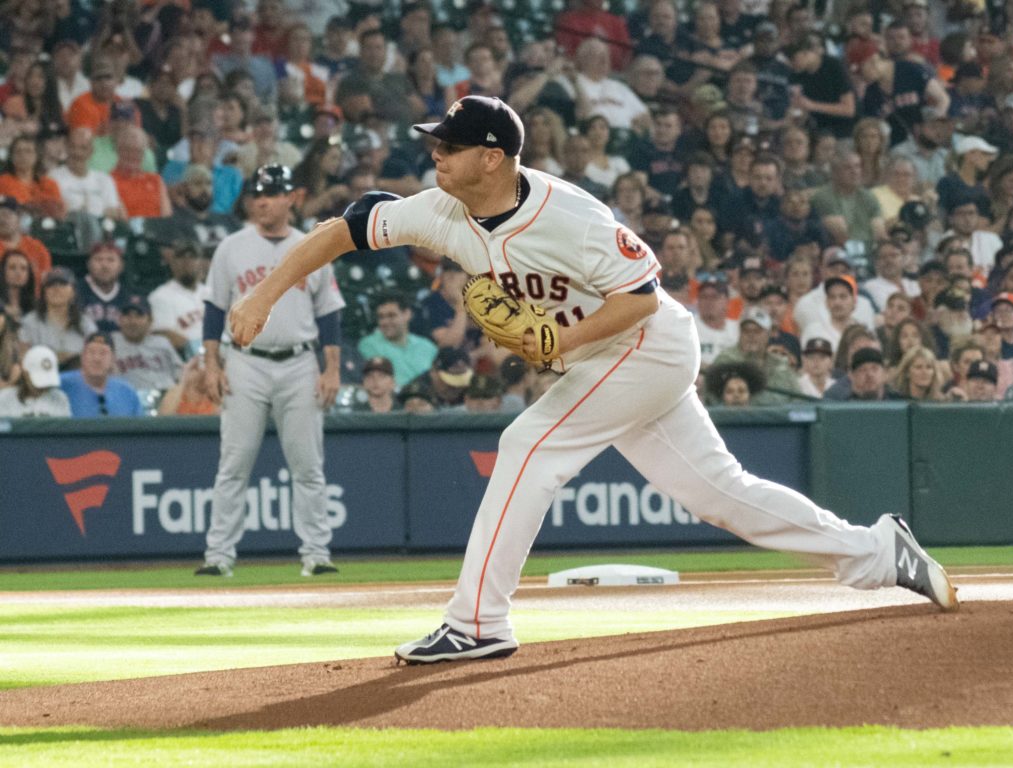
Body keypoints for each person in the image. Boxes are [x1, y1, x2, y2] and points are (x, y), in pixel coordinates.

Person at [226, 95, 959, 664]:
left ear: (493, 158)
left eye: (449, 145)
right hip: (607, 363)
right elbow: (343, 230)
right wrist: (265, 295)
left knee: (527, 445)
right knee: (722, 495)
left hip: (648, 345)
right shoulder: (439, 211)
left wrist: (559, 340)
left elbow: (642, 294)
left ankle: (476, 622)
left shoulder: (569, 215)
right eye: (435, 143)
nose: (435, 154)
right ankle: (877, 551)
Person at [196, 164, 344, 579]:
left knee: (308, 465)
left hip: (300, 362)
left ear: (291, 198)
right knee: (233, 463)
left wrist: (331, 369)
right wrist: (212, 364)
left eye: (271, 193)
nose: (262, 201)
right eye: (257, 195)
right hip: (245, 362)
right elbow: (214, 310)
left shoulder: (312, 245)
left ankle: (316, 553)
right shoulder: (232, 248)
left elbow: (329, 314)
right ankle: (218, 555)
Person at [18, 267, 97, 370]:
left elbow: (95, 356)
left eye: (63, 284)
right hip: (40, 373)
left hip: (77, 375)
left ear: (73, 292)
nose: (57, 289)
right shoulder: (29, 322)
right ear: (44, 292)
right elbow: (23, 358)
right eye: (51, 285)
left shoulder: (86, 323)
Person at [357, 290, 438, 388]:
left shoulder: (427, 347)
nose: (385, 322)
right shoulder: (369, 345)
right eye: (381, 317)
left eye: (391, 316)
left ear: (407, 314)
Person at [148, 241, 211, 358]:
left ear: (201, 263)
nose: (187, 261)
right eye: (181, 257)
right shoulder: (160, 296)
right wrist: (203, 350)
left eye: (192, 257)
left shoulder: (210, 292)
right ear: (172, 264)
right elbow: (164, 335)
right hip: (187, 359)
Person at [60, 331, 144, 417]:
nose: (97, 359)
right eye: (91, 352)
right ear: (82, 357)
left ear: (113, 359)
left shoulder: (127, 393)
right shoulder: (61, 385)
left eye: (103, 353)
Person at [112, 294, 183, 393]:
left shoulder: (162, 342)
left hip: (166, 395)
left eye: (139, 316)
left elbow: (180, 375)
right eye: (127, 315)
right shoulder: (110, 343)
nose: (133, 321)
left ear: (150, 321)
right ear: (119, 320)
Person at [0, 345, 71, 417]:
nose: (43, 387)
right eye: (40, 379)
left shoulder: (59, 398)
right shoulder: (4, 398)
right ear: (25, 373)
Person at [78, 241, 125, 333]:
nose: (104, 265)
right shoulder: (74, 292)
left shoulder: (129, 296)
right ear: (89, 264)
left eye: (111, 260)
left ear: (121, 266)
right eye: (98, 259)